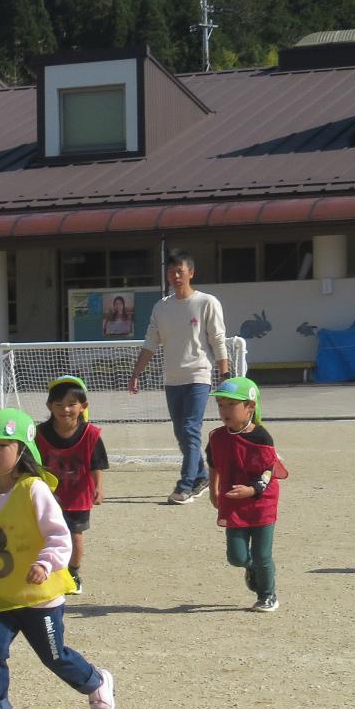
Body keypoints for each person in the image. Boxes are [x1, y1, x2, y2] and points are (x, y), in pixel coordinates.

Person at [0, 408, 115, 709]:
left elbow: (58, 536)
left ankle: (96, 682)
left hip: (40, 595)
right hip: (2, 591)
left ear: (21, 450)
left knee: (54, 656)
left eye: (2, 446)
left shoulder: (34, 489)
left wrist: (45, 563)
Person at [128, 251, 229, 505]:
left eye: (180, 271)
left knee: (190, 428)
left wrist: (224, 371)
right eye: (171, 272)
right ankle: (201, 476)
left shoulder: (207, 302)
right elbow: (151, 342)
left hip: (199, 374)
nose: (175, 276)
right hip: (172, 379)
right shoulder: (161, 307)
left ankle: (185, 485)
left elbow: (217, 338)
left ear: (191, 273)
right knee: (181, 432)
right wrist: (136, 373)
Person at [206, 377, 288, 612]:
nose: (224, 410)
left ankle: (267, 594)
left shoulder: (261, 438)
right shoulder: (217, 437)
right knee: (236, 556)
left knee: (262, 554)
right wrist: (214, 490)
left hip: (262, 503)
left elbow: (267, 473)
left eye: (230, 405)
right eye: (220, 404)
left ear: (250, 407)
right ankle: (250, 568)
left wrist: (251, 490)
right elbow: (213, 464)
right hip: (233, 503)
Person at [36, 376, 110, 594]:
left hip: (78, 495)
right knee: (44, 534)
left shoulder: (91, 435)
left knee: (75, 535)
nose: (65, 409)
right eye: (59, 404)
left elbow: (98, 464)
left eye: (71, 404)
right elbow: (32, 462)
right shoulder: (40, 433)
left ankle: (73, 573)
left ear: (83, 406)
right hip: (48, 495)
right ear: (50, 406)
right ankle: (46, 570)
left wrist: (99, 487)